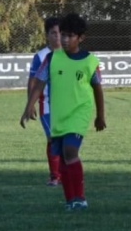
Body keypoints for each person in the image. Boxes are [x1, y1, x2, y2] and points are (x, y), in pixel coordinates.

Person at [20, 13, 106, 210]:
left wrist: (100, 115)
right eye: (63, 35)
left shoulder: (90, 61)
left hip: (79, 113)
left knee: (70, 152)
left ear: (81, 38)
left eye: (69, 36)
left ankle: (81, 198)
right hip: (58, 114)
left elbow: (98, 89)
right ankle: (70, 200)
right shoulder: (51, 58)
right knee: (64, 158)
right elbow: (39, 83)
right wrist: (28, 106)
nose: (64, 40)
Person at [27, 16, 62, 186]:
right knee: (53, 138)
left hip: (68, 107)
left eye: (60, 33)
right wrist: (30, 103)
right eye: (53, 33)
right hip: (47, 105)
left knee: (66, 140)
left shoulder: (70, 54)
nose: (57, 37)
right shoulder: (41, 56)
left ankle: (64, 173)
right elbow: (33, 81)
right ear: (47, 35)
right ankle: (55, 176)